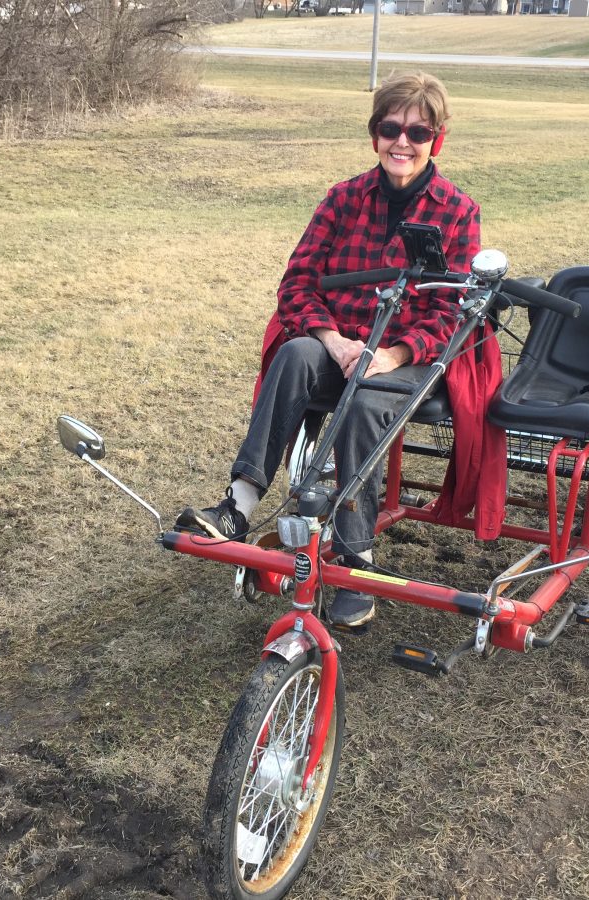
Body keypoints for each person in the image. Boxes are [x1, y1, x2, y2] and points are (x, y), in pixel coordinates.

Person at [176, 71, 502, 629]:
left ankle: (357, 559)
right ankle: (238, 506)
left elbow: (456, 315)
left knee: (365, 400)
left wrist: (390, 355)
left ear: (436, 138)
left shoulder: (456, 210)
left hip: (410, 362)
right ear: (374, 135)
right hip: (340, 346)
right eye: (389, 128)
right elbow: (297, 284)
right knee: (295, 353)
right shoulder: (343, 199)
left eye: (417, 131)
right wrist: (335, 341)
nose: (402, 141)